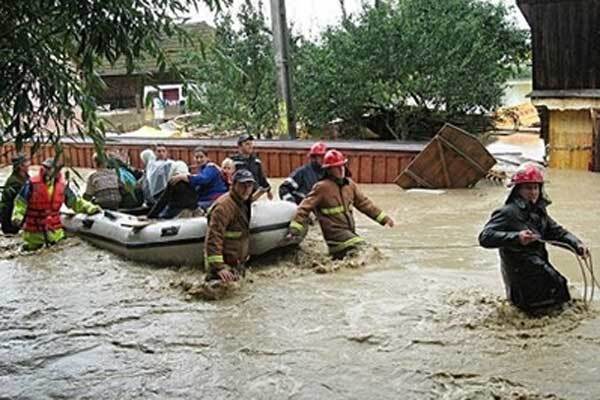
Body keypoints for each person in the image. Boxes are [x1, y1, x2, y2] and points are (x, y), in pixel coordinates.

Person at [478, 162, 589, 312]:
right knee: (556, 287)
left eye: (536, 187)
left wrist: (577, 245)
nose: (533, 192)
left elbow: (557, 233)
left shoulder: (539, 212)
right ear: (518, 190)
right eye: (528, 188)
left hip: (537, 263)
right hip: (519, 270)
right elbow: (485, 237)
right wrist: (517, 237)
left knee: (558, 288)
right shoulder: (507, 212)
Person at [287, 150, 394, 259]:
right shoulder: (322, 187)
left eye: (342, 166)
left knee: (362, 256)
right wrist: (295, 228)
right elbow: (304, 207)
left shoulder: (350, 185)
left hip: (349, 234)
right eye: (336, 167)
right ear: (328, 170)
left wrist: (384, 218)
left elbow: (365, 204)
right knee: (366, 250)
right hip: (335, 237)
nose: (341, 169)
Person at [11, 158, 100, 251]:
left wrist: (91, 208)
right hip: (34, 234)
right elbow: (20, 203)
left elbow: (75, 202)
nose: (49, 171)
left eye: (52, 168)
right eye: (46, 168)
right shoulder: (31, 184)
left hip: (55, 233)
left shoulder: (63, 185)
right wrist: (17, 217)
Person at [204, 169, 255, 282]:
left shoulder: (243, 203)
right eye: (242, 185)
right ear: (234, 185)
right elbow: (214, 236)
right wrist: (219, 267)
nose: (246, 189)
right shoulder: (223, 207)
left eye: (249, 185)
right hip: (222, 269)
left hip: (235, 265)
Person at [231, 134, 272, 201]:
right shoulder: (233, 161)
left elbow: (261, 178)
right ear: (240, 146)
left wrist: (268, 190)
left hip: (255, 196)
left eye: (251, 144)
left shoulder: (256, 161)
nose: (251, 146)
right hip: (239, 197)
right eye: (247, 144)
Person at [0, 154, 30, 234]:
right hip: (11, 222)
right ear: (20, 166)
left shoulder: (25, 177)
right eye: (26, 162)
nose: (29, 164)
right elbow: (19, 202)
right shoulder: (15, 182)